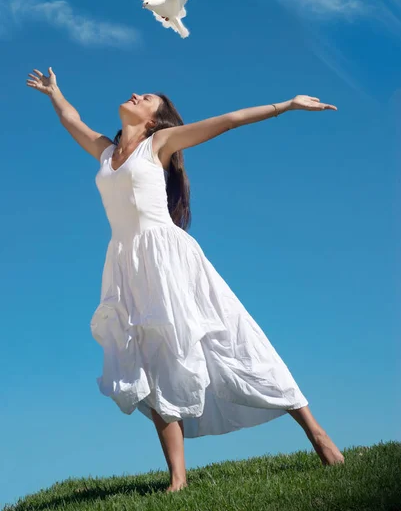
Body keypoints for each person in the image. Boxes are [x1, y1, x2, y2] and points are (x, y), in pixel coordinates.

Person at [26, 67, 345, 493]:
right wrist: (55, 93)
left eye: (147, 98)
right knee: (152, 365)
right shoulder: (107, 152)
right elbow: (72, 121)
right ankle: (178, 479)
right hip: (128, 268)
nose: (136, 93)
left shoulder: (158, 143)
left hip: (171, 259)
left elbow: (227, 121)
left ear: (155, 120)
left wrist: (285, 106)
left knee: (234, 338)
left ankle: (316, 432)